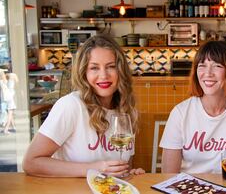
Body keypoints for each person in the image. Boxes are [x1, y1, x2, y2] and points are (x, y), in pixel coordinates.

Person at [23, 35, 145, 177]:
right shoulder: (71, 105)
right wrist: (93, 169)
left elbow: (122, 165)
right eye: (94, 68)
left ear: (121, 71)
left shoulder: (126, 110)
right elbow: (31, 163)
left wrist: (129, 174)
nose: (103, 75)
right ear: (84, 73)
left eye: (111, 66)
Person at [159, 41, 226, 181]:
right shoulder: (180, 113)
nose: (208, 73)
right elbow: (168, 175)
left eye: (217, 66)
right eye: (202, 66)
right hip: (187, 189)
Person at [0, 69, 17, 134]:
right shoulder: (4, 81)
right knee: (10, 113)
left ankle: (13, 127)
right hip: (9, 98)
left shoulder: (3, 81)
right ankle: (6, 129)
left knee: (10, 112)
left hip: (4, 99)